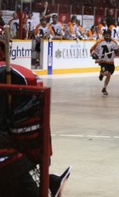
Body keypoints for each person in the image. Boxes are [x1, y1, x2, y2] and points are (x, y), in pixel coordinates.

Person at [0, 56, 71, 196]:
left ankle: (50, 184)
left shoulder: (14, 76)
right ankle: (51, 183)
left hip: (19, 146)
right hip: (27, 142)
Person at [90, 29, 119, 96]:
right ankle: (102, 73)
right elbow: (92, 49)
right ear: (104, 34)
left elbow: (118, 54)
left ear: (110, 35)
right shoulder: (99, 41)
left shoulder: (114, 42)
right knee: (107, 73)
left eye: (108, 34)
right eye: (105, 34)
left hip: (111, 62)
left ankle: (104, 88)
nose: (107, 35)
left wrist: (117, 52)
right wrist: (93, 54)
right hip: (103, 61)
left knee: (109, 75)